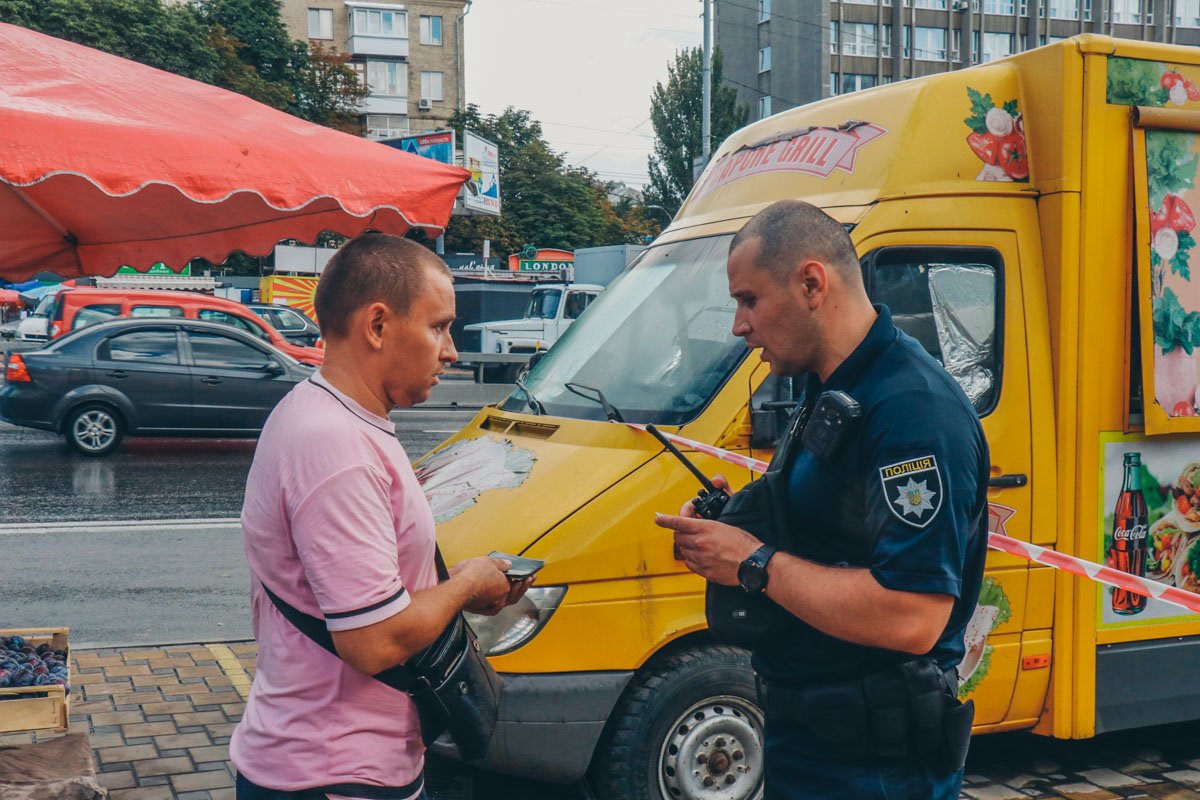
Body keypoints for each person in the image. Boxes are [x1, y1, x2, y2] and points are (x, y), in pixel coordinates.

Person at [655, 200, 989, 799]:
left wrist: (753, 564)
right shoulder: (832, 385)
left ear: (812, 283)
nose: (738, 324)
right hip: (816, 741)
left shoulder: (912, 411)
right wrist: (730, 527)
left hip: (875, 764)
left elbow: (914, 615)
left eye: (749, 300)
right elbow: (828, 527)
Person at [231, 233, 529, 800]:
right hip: (334, 772)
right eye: (439, 326)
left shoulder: (333, 416)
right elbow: (371, 641)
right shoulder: (334, 445)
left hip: (338, 762)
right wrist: (466, 585)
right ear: (377, 326)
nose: (452, 351)